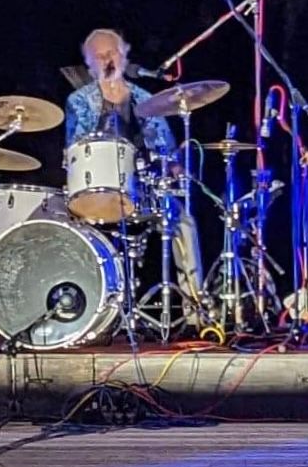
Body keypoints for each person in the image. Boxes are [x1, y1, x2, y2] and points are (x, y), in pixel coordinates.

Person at [64, 28, 205, 302]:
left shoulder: (146, 99)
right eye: (99, 56)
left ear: (124, 55)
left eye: (112, 53)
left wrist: (175, 165)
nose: (107, 60)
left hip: (141, 189)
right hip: (95, 189)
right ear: (90, 66)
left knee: (184, 221)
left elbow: (166, 148)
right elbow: (75, 147)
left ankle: (195, 307)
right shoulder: (79, 101)